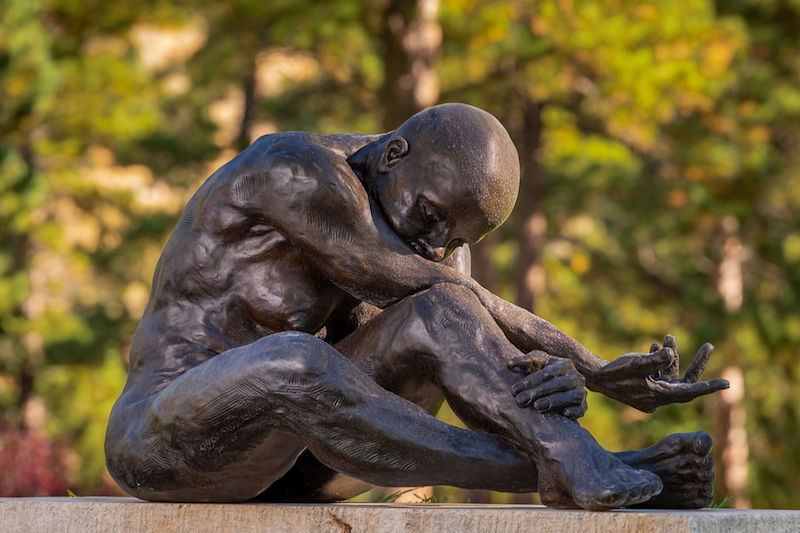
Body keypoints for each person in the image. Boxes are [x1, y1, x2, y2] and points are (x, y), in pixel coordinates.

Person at [105, 103, 727, 510]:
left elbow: (460, 328)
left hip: (305, 469)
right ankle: (575, 463)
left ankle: (565, 453)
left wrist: (546, 385)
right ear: (394, 154)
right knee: (293, 359)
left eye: (455, 239)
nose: (436, 244)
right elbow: (418, 283)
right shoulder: (293, 173)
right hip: (166, 443)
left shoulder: (430, 243)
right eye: (430, 216)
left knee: (443, 314)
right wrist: (589, 365)